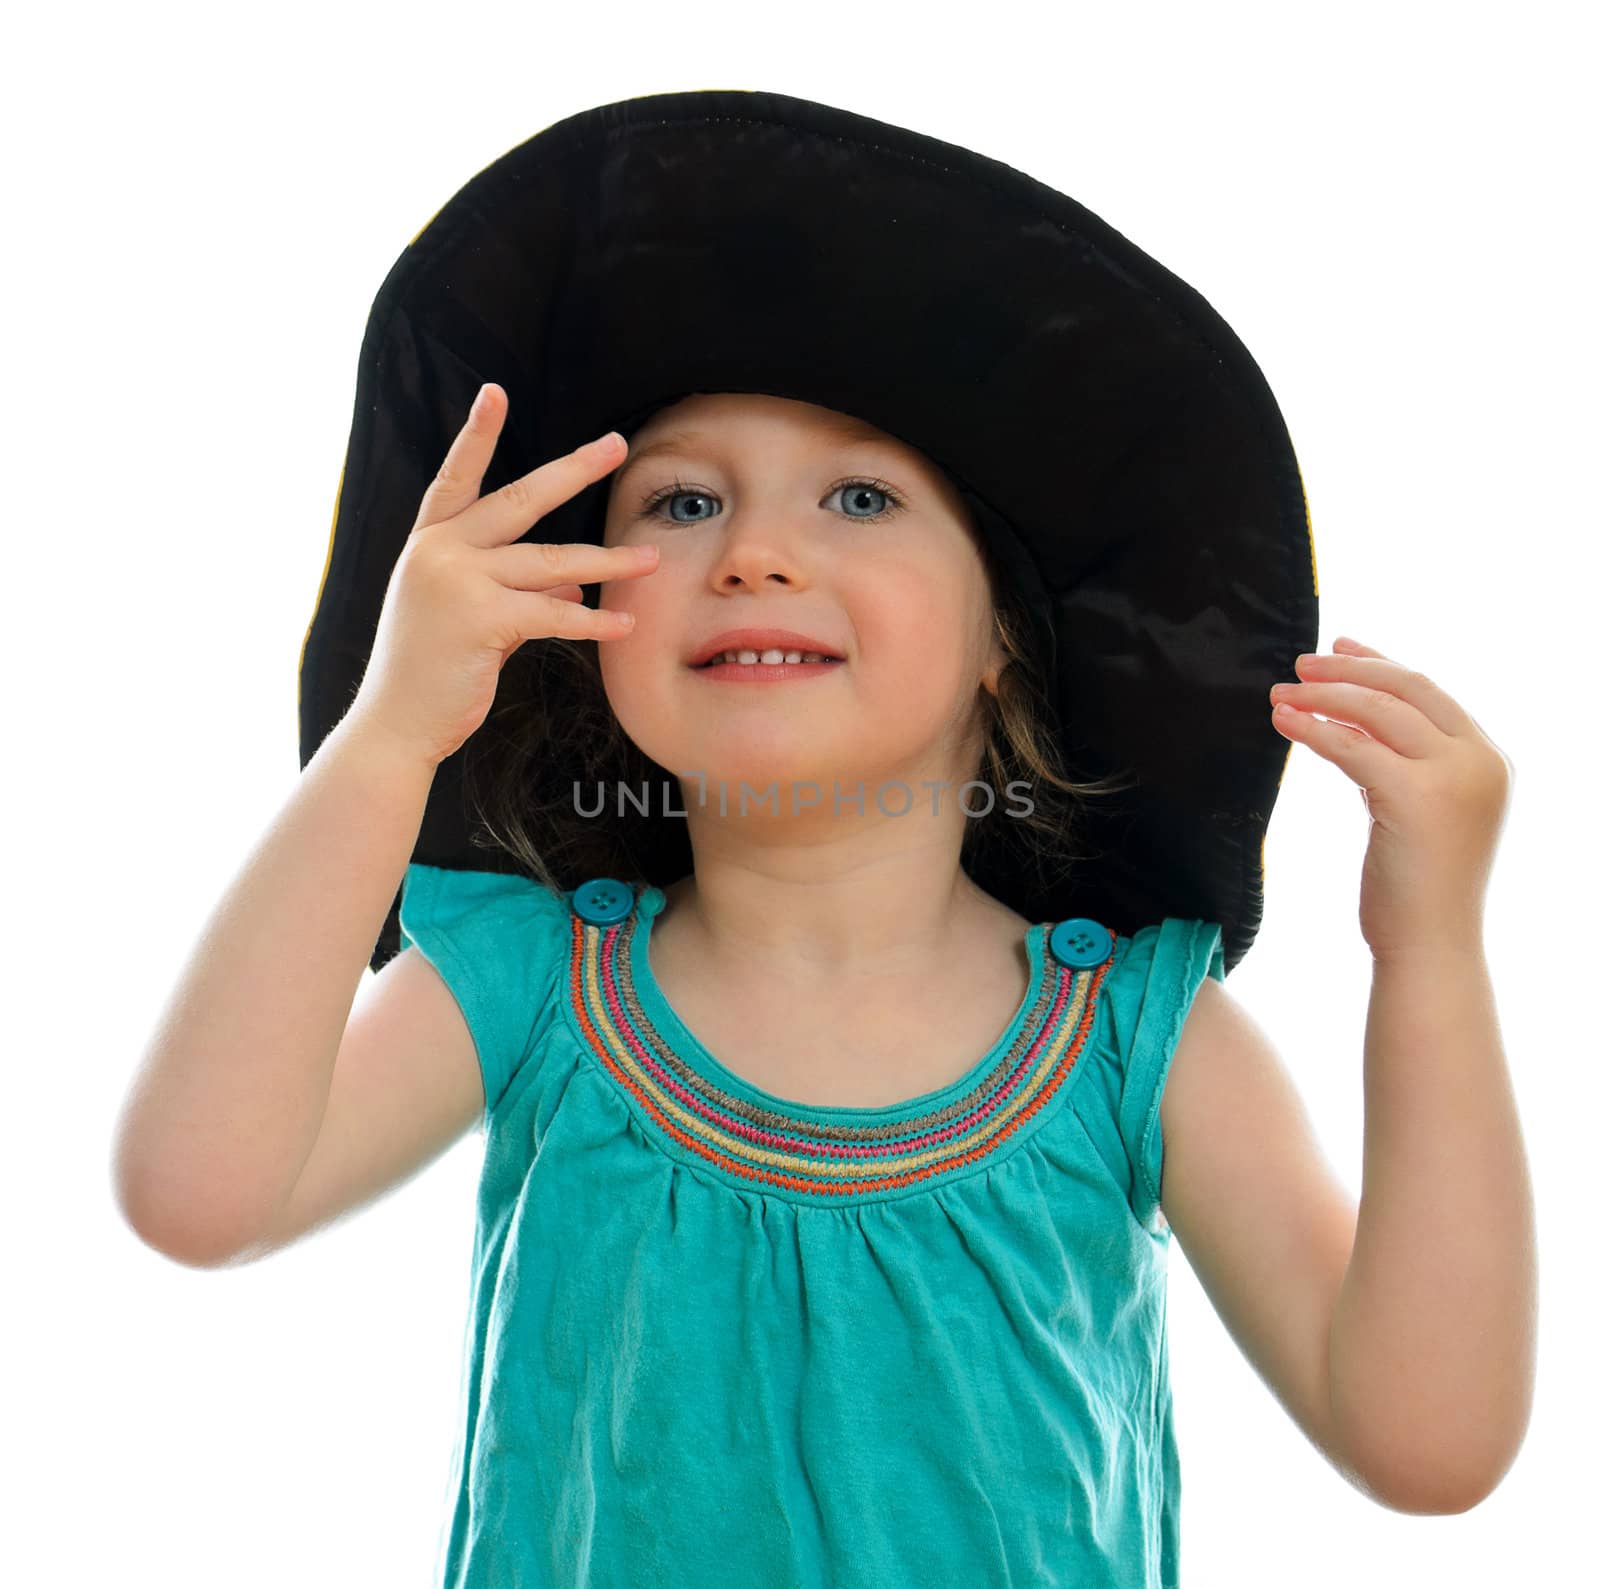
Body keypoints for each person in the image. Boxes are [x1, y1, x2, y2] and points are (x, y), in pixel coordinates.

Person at [112, 90, 1531, 1587]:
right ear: (588, 612)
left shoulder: (1133, 1039)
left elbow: (1427, 1440)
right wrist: (390, 734)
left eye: (858, 494)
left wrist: (1430, 947)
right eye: (681, 498)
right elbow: (200, 1194)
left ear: (1006, 636)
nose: (757, 548)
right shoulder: (532, 986)